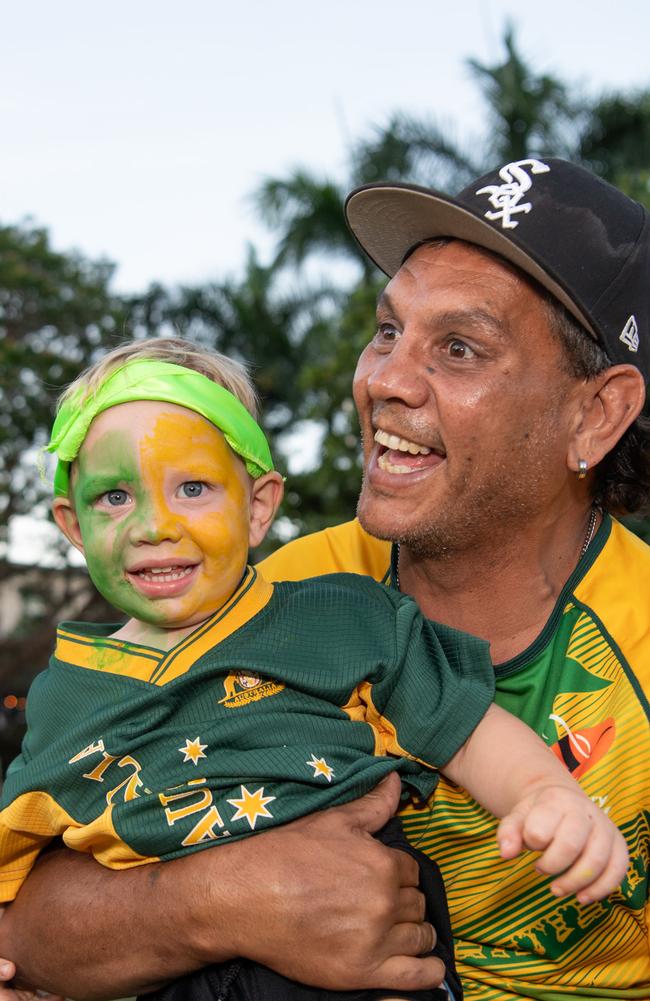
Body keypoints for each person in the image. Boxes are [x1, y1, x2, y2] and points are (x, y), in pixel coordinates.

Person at [0, 157, 648, 1001]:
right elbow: (30, 921)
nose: (382, 381)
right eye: (387, 332)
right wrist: (224, 899)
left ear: (594, 413)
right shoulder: (276, 596)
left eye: (458, 348)